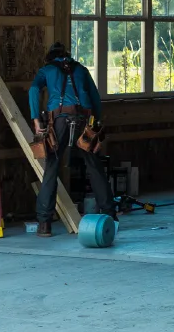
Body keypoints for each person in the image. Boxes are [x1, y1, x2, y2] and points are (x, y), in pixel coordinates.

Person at [28, 43, 113, 236]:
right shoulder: (81, 69)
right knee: (94, 165)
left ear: (50, 57)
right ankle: (110, 215)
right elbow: (95, 97)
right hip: (83, 119)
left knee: (52, 166)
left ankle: (44, 224)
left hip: (59, 119)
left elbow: (33, 90)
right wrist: (96, 123)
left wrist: (36, 119)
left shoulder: (47, 70)